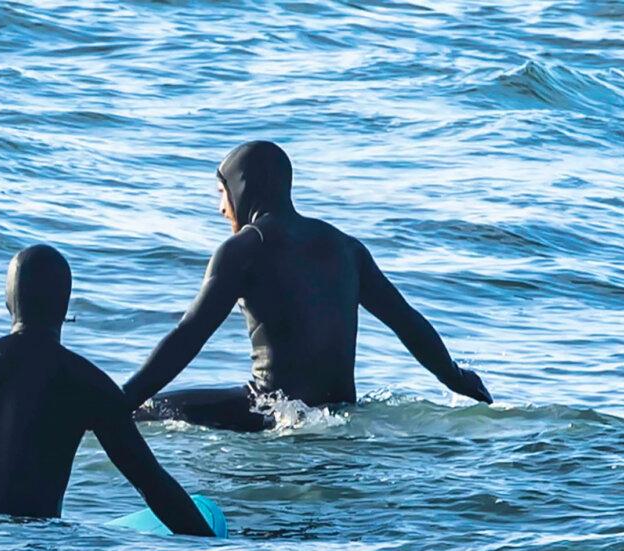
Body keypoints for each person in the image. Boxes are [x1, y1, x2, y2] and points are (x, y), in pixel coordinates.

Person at [124, 141, 492, 431]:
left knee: (149, 411)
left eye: (221, 192)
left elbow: (188, 335)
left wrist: (122, 399)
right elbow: (406, 321)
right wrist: (456, 377)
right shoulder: (346, 247)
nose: (221, 208)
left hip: (275, 411)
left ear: (243, 188)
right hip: (340, 411)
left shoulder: (244, 249)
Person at [0, 245, 214, 536]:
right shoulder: (87, 383)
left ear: (9, 301)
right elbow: (153, 485)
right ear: (65, 307)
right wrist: (214, 550)